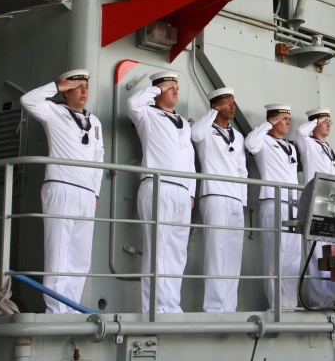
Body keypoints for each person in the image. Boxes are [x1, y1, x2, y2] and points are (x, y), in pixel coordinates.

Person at [20, 69, 104, 313]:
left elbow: (100, 158)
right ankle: (56, 310)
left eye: (86, 86)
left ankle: (72, 308)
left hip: (87, 192)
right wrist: (57, 86)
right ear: (68, 89)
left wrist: (96, 192)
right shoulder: (53, 111)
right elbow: (27, 100)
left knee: (80, 257)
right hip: (61, 186)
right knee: (58, 252)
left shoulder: (94, 121)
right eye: (78, 85)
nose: (84, 90)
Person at [126, 70, 195, 314]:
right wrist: (157, 88)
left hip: (181, 191)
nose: (175, 90)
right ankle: (153, 309)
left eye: (177, 86)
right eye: (170, 87)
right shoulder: (146, 114)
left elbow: (190, 159)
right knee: (157, 252)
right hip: (157, 186)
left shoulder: (183, 123)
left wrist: (191, 192)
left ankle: (171, 306)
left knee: (177, 253)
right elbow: (132, 103)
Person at [191, 87, 248, 312]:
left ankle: (229, 307)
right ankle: (214, 308)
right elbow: (195, 134)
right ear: (217, 105)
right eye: (228, 102)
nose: (233, 106)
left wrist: (243, 200)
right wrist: (213, 112)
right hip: (214, 194)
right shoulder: (206, 130)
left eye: (234, 101)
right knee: (216, 253)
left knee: (233, 256)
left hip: (235, 198)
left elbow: (243, 171)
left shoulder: (238, 136)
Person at [245, 103, 301, 311]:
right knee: (275, 255)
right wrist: (268, 124)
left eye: (288, 118)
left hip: (293, 204)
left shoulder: (291, 147)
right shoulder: (263, 141)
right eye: (283, 118)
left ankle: (290, 304)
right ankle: (277, 305)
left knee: (293, 257)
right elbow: (250, 144)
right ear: (273, 119)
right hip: (272, 201)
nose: (288, 122)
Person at [296, 107, 335, 308]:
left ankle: (330, 300)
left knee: (330, 253)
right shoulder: (308, 144)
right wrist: (316, 120)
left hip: (333, 203)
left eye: (330, 121)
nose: (329, 124)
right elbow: (300, 132)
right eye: (325, 121)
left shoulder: (332, 150)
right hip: (315, 201)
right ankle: (316, 301)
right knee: (314, 254)